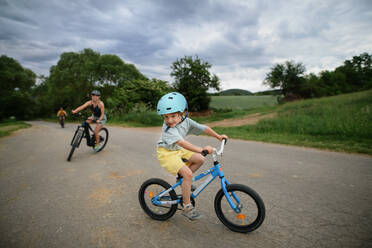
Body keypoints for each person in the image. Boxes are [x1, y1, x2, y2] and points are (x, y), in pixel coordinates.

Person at [156, 92, 228, 220]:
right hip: (166, 153)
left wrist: (218, 136)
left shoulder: (186, 121)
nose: (169, 120)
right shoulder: (168, 129)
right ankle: (187, 206)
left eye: (173, 116)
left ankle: (181, 180)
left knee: (200, 159)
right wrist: (201, 149)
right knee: (188, 174)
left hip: (178, 150)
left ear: (182, 113)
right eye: (166, 117)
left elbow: (203, 128)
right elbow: (183, 143)